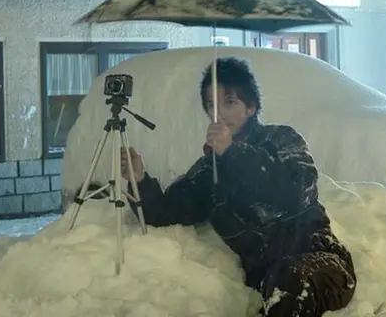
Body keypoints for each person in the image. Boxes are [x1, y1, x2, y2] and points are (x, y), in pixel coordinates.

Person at [119, 57, 356, 317]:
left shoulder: (281, 140)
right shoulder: (209, 172)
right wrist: (139, 179)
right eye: (211, 105)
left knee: (292, 280)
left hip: (322, 262)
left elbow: (298, 192)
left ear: (251, 107)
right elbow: (167, 212)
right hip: (268, 281)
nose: (218, 113)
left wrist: (233, 152)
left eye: (229, 102)